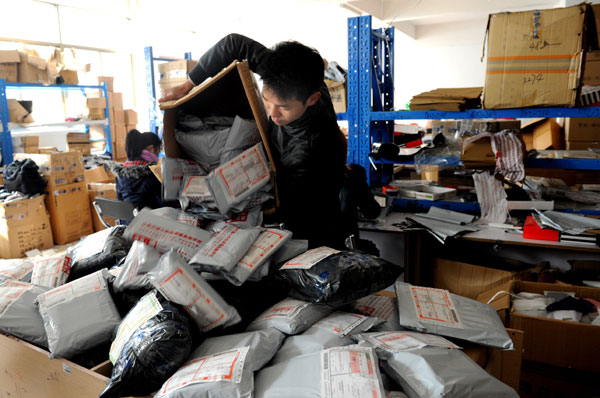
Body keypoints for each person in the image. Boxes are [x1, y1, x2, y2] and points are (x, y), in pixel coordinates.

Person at [160, 34, 347, 249]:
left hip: (316, 209)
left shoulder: (308, 149)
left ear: (312, 99)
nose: (273, 114)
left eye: (284, 107)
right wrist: (187, 85)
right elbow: (233, 43)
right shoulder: (290, 75)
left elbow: (283, 204)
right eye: (267, 101)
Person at [110, 129, 163, 211]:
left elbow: (119, 202)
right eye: (158, 152)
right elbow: (162, 204)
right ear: (151, 149)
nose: (158, 156)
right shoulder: (152, 172)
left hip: (129, 222)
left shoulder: (120, 173)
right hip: (150, 221)